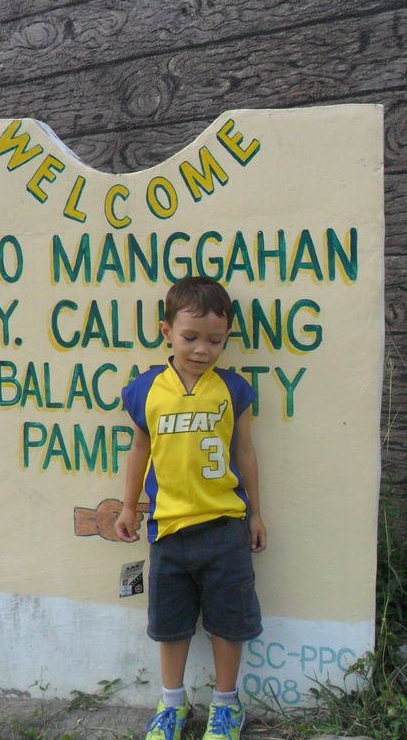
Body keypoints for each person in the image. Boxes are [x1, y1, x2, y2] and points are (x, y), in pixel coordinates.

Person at [115, 276, 266, 740]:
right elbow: (139, 449)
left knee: (229, 622)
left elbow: (245, 451)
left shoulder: (233, 389)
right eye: (191, 337)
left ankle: (226, 705)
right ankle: (172, 703)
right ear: (166, 331)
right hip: (168, 530)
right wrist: (128, 507)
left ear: (226, 338)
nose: (202, 349)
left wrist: (256, 514)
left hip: (225, 526)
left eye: (215, 341)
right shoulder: (146, 389)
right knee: (170, 624)